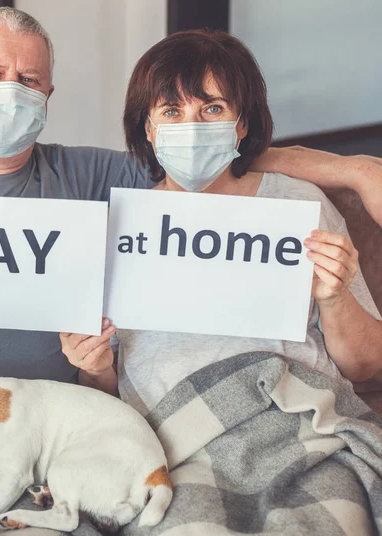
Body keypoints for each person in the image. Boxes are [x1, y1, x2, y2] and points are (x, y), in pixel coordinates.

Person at [0, 7, 382, 395]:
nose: (11, 90)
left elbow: (212, 164)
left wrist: (353, 170)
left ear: (48, 96)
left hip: (60, 422)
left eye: (30, 80)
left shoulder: (91, 176)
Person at [60, 29, 382, 413]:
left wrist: (335, 297)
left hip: (298, 414)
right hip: (175, 431)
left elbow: (363, 367)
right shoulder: (121, 227)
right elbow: (104, 388)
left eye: (212, 109)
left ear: (241, 124)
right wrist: (94, 367)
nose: (191, 128)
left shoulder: (300, 204)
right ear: (148, 129)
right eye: (171, 111)